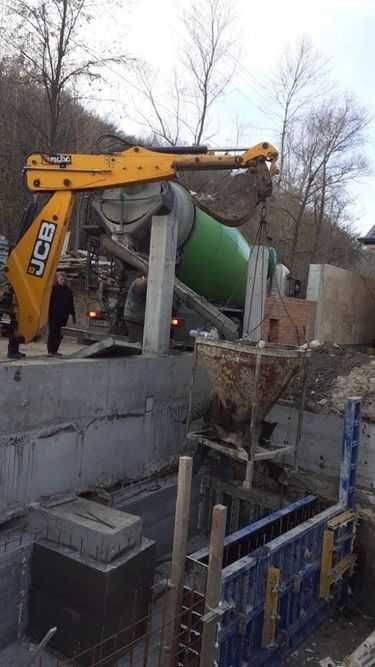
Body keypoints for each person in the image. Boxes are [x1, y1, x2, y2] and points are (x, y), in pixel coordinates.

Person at [47, 272, 76, 356]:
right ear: (57, 279)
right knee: (52, 333)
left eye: (63, 279)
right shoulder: (53, 289)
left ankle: (55, 350)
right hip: (53, 315)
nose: (62, 281)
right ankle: (50, 351)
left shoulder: (68, 291)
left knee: (60, 334)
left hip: (63, 316)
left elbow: (71, 304)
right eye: (61, 279)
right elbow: (48, 303)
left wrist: (73, 315)